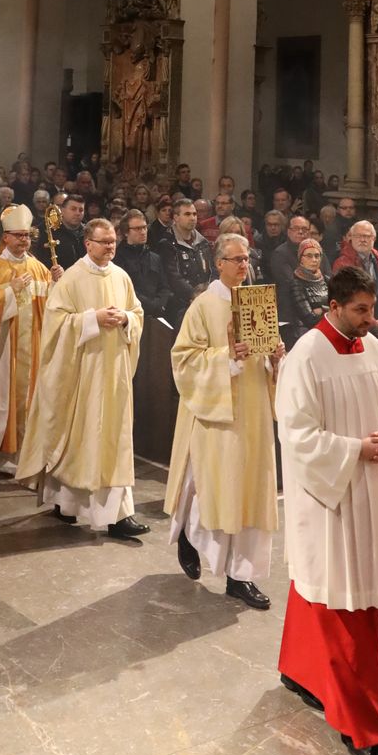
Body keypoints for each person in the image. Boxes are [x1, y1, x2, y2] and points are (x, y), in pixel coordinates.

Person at [275, 263, 378, 755]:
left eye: (372, 309)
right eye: (360, 310)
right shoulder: (306, 356)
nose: (370, 320)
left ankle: (297, 668)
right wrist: (356, 449)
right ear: (332, 306)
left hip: (365, 492)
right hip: (327, 497)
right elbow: (296, 434)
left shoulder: (374, 350)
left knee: (325, 587)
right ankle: (365, 733)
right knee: (344, 606)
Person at [166, 230, 282, 607]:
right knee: (218, 487)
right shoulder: (203, 305)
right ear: (219, 264)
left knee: (252, 492)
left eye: (247, 259)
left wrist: (275, 356)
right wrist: (228, 359)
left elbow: (265, 361)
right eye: (236, 259)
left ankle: (241, 576)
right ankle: (189, 533)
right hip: (219, 411)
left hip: (254, 412)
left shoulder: (258, 301)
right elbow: (183, 359)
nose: (244, 265)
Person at [17, 217, 146, 539]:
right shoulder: (72, 278)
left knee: (115, 441)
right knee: (79, 439)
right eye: (104, 242)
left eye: (113, 241)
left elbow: (138, 312)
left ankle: (118, 514)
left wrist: (126, 319)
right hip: (82, 376)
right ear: (88, 243)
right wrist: (92, 319)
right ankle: (67, 503)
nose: (111, 247)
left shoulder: (121, 276)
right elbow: (55, 325)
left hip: (113, 373)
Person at [0, 205, 57, 473]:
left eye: (26, 236)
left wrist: (59, 285)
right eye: (17, 235)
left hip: (32, 348)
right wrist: (9, 293)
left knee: (30, 401)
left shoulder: (39, 269)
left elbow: (53, 307)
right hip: (3, 352)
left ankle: (27, 454)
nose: (23, 241)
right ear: (5, 237)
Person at [114, 207, 182, 322]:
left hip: (157, 316)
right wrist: (150, 306)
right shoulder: (118, 259)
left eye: (145, 227)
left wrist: (159, 304)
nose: (143, 232)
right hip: (131, 316)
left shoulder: (155, 257)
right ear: (126, 232)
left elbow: (164, 286)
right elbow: (125, 290)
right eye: (137, 229)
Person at [335, 220, 378, 336]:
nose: (362, 240)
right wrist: (373, 324)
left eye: (366, 236)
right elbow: (350, 301)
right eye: (358, 236)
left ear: (374, 239)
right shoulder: (342, 264)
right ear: (351, 238)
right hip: (358, 330)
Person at [286, 236, 330, 346]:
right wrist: (329, 310)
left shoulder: (327, 280)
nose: (314, 260)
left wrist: (321, 310)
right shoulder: (296, 284)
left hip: (328, 334)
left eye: (317, 255)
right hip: (305, 337)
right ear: (301, 258)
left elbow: (340, 309)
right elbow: (310, 319)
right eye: (309, 256)